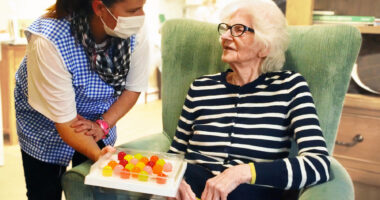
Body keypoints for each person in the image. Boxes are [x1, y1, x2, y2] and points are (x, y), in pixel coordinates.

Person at [169, 0, 330, 199]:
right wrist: (172, 182)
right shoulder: (201, 87)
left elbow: (318, 164)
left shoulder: (290, 86)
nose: (225, 37)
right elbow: (174, 154)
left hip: (250, 192)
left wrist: (244, 173)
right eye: (226, 28)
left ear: (265, 46)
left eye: (238, 29)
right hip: (189, 190)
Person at [14, 0, 149, 199]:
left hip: (97, 119)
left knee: (97, 191)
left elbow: (133, 88)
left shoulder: (132, 27)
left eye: (142, 7)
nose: (141, 16)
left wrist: (103, 125)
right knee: (44, 191)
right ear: (99, 7)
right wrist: (99, 156)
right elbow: (66, 122)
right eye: (133, 10)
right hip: (45, 125)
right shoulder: (49, 40)